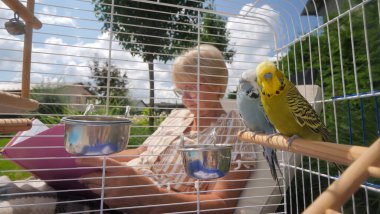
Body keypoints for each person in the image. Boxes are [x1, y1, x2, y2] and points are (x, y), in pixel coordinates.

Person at [75, 44, 256, 213]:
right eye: (179, 91)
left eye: (191, 88)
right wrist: (90, 161)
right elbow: (141, 151)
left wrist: (152, 198)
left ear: (217, 85)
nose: (184, 98)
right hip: (107, 191)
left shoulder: (233, 128)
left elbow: (223, 204)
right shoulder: (177, 116)